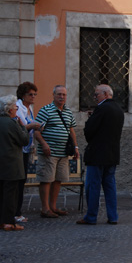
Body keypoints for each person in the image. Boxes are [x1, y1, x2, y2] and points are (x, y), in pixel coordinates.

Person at [76, 85, 124, 225]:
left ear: (105, 94)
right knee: (110, 186)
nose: (95, 96)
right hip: (112, 154)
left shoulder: (102, 108)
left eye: (96, 94)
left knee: (93, 186)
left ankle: (91, 216)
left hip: (97, 154)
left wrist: (89, 121)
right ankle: (113, 216)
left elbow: (89, 131)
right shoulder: (118, 109)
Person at [34, 85, 79, 218]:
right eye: (59, 94)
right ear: (53, 95)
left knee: (58, 179)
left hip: (63, 153)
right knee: (46, 179)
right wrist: (44, 144)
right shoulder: (45, 111)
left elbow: (71, 131)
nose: (61, 97)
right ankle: (45, 208)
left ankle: (53, 206)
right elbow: (36, 131)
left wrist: (75, 147)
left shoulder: (68, 112)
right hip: (49, 152)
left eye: (64, 95)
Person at [0, 95, 29, 231]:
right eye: (15, 107)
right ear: (9, 109)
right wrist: (23, 127)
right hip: (11, 165)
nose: (16, 109)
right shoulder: (12, 123)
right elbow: (24, 140)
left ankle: (2, 221)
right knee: (10, 195)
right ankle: (8, 222)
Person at [15, 82, 42, 223]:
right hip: (19, 150)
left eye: (34, 94)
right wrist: (31, 126)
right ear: (23, 95)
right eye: (30, 94)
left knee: (21, 180)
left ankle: (16, 211)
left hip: (26, 149)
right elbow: (19, 128)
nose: (33, 97)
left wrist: (37, 127)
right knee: (18, 181)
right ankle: (15, 212)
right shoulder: (18, 108)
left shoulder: (29, 108)